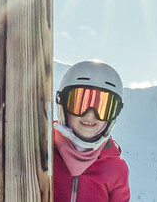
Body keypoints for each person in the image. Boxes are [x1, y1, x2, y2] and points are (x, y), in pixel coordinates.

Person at [53, 60, 130, 202]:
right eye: (80, 103)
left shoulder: (116, 169)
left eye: (102, 108)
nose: (90, 114)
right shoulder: (43, 149)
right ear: (63, 104)